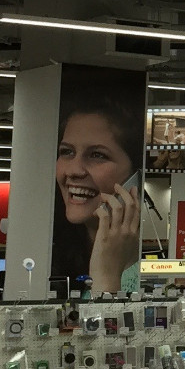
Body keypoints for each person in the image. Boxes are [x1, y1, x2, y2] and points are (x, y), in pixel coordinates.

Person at [53, 91, 144, 296]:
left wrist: (107, 278)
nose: (74, 171)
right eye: (67, 151)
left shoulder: (143, 281)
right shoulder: (50, 257)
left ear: (136, 175)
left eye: (97, 155)